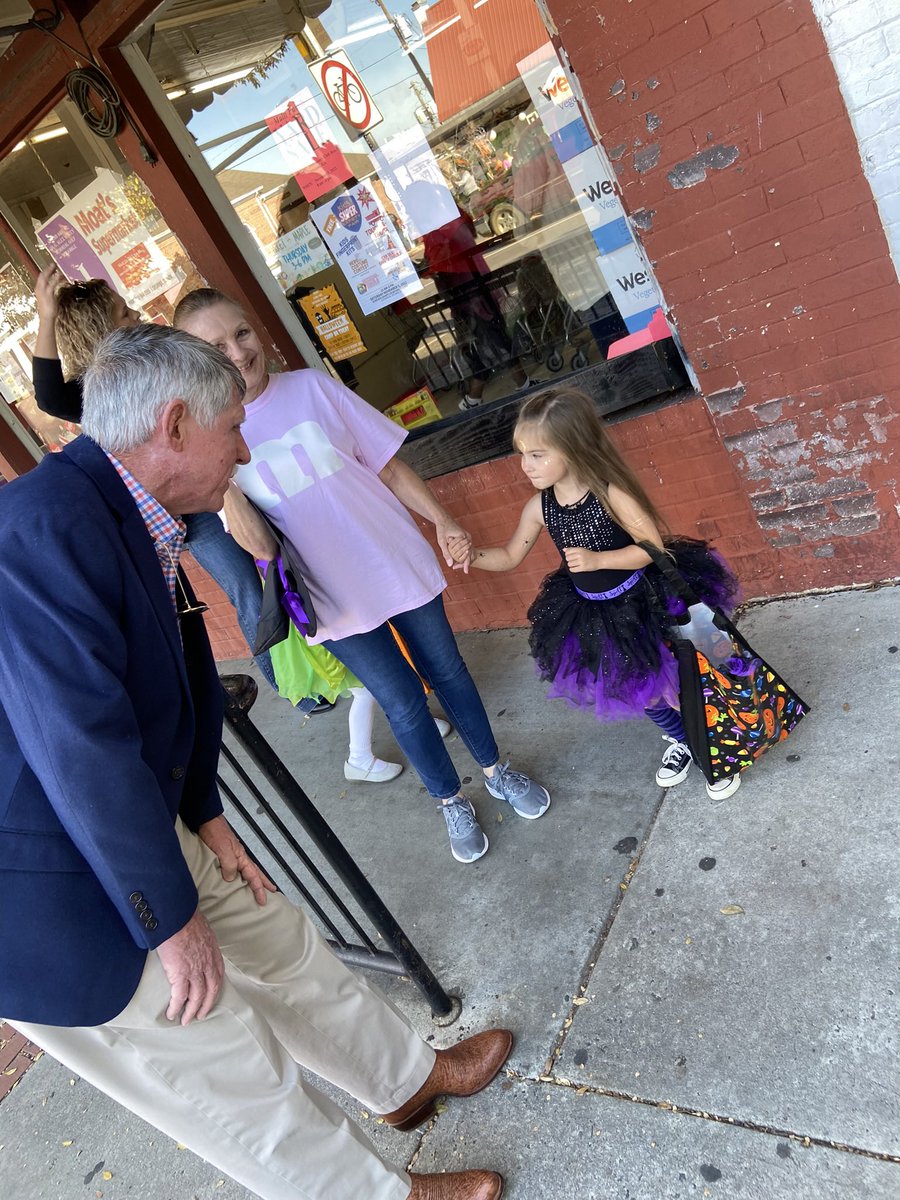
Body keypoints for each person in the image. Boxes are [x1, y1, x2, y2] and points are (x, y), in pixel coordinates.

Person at [0, 323, 507, 1200]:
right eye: (232, 428)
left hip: (127, 820)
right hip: (42, 884)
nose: (242, 450)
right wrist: (166, 919)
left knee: (281, 943)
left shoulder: (138, 506)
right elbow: (79, 740)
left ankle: (404, 1082)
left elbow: (180, 672)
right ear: (173, 428)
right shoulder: (40, 529)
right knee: (227, 1071)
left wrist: (202, 808)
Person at [173, 289, 551, 863]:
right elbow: (255, 547)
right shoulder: (214, 442)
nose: (237, 351)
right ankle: (449, 798)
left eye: (241, 333)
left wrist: (444, 521)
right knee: (398, 700)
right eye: (215, 345)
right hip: (331, 599)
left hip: (393, 558)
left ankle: (497, 770)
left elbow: (389, 464)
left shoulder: (312, 387)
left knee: (447, 673)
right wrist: (220, 472)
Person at [449, 387, 742, 801]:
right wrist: (472, 556)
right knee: (638, 690)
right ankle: (682, 740)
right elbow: (511, 554)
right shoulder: (540, 507)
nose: (525, 465)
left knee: (676, 688)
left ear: (572, 448)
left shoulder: (608, 494)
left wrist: (598, 559)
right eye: (521, 453)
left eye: (537, 454)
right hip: (594, 616)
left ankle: (709, 747)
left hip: (644, 604)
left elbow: (652, 549)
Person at [30, 264, 279, 693]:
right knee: (242, 588)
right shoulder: (94, 394)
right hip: (186, 508)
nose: (138, 317)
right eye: (125, 314)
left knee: (271, 566)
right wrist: (47, 317)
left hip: (224, 479)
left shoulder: (161, 362)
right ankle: (290, 684)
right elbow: (49, 394)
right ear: (103, 330)